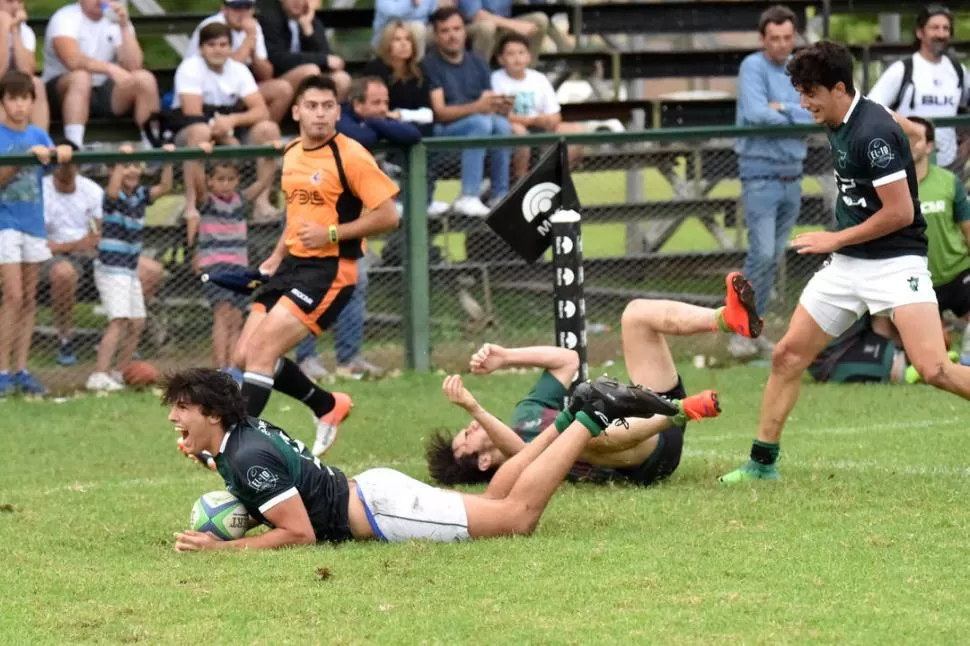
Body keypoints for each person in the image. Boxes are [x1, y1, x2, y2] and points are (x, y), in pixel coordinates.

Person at [720, 41, 970, 483]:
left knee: (934, 369)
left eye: (810, 93)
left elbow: (900, 214)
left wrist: (833, 237)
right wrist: (913, 138)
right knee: (787, 357)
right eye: (799, 92)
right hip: (848, 265)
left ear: (838, 88)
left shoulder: (871, 133)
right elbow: (912, 131)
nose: (804, 103)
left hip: (897, 264)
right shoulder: (851, 112)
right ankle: (761, 465)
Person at [167, 367, 679, 550]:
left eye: (183, 410)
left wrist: (223, 551)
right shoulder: (240, 438)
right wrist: (205, 457)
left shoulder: (246, 456)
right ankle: (571, 419)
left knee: (515, 518)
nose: (174, 419)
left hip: (379, 510)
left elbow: (297, 533)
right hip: (374, 491)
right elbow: (258, 481)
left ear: (213, 413)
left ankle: (592, 414)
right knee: (498, 496)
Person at [426, 273, 761, 486]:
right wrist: (473, 407)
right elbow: (519, 450)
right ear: (484, 461)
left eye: (465, 428)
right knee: (581, 434)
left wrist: (507, 356)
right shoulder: (519, 471)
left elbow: (567, 360)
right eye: (465, 439)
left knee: (636, 315)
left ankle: (727, 319)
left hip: (645, 410)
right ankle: (681, 410)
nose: (470, 427)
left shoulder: (525, 413)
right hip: (647, 456)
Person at [231, 75, 400, 458]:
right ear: (296, 112)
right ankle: (327, 405)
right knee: (245, 356)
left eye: (327, 106)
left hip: (331, 270)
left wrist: (332, 234)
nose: (320, 114)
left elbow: (389, 216)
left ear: (338, 112)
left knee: (261, 349)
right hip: (292, 264)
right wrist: (275, 257)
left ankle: (234, 443)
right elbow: (296, 215)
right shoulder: (291, 152)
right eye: (312, 106)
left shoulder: (352, 155)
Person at [732, 4, 815, 359]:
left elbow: (814, 109)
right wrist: (790, 113)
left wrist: (784, 109)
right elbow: (755, 113)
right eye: (774, 38)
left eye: (787, 38)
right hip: (760, 172)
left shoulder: (802, 66)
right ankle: (740, 331)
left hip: (792, 175)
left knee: (774, 255)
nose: (781, 45)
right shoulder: (752, 66)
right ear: (762, 38)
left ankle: (753, 329)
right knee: (761, 254)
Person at [42, 146, 166, 367]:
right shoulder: (42, 191)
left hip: (95, 255)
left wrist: (94, 241)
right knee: (64, 273)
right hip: (54, 256)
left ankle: (115, 340)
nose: (69, 168)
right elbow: (39, 244)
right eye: (63, 163)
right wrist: (74, 245)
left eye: (73, 162)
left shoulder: (89, 189)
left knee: (151, 270)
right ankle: (65, 338)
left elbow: (101, 227)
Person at [0, 71, 71, 396]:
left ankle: (21, 368)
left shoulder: (39, 134)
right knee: (12, 296)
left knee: (28, 300)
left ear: (31, 101)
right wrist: (20, 161)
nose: (18, 105)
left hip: (33, 226)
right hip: (5, 225)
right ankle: (2, 369)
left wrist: (65, 156)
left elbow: (61, 174)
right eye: (12, 98)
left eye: (24, 98)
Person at [87, 144, 174, 392]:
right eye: (125, 167)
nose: (131, 171)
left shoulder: (141, 196)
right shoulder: (111, 197)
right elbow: (113, 190)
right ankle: (98, 374)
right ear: (114, 170)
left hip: (129, 269)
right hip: (111, 269)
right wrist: (120, 158)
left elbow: (165, 187)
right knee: (118, 320)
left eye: (135, 165)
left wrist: (168, 160)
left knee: (137, 322)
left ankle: (118, 372)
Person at [174, 22, 282, 222]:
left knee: (269, 129)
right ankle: (193, 205)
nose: (218, 50)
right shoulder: (189, 68)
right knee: (200, 132)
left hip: (231, 131)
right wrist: (225, 137)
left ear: (230, 48)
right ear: (201, 48)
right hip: (191, 134)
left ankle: (262, 205)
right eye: (212, 45)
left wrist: (233, 120)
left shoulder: (238, 70)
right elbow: (192, 115)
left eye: (223, 45)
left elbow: (261, 111)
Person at [187, 157, 276, 379]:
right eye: (220, 179)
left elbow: (264, 182)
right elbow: (196, 183)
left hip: (239, 266)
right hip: (215, 265)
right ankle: (220, 367)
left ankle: (233, 367)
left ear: (237, 181)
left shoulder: (240, 201)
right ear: (211, 181)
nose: (225, 184)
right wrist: (199, 155)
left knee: (236, 317)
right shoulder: (207, 201)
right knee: (222, 313)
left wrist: (272, 157)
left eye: (230, 179)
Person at [424, 7, 512, 217]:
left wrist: (501, 106)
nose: (452, 35)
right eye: (445, 31)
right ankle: (468, 196)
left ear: (465, 31)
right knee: (481, 123)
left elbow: (488, 105)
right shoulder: (429, 65)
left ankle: (500, 194)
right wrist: (478, 108)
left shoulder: (479, 63)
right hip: (441, 136)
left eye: (457, 29)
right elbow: (439, 113)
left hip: (476, 132)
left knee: (501, 124)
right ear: (436, 36)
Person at [42, 0, 160, 149]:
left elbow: (134, 65)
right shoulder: (65, 18)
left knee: (145, 79)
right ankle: (75, 147)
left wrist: (124, 27)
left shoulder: (114, 19)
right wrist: (110, 69)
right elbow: (72, 60)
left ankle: (153, 148)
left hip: (104, 91)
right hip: (62, 91)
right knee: (81, 78)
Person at [867, 6, 969, 171]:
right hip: (909, 164)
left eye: (946, 28)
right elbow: (870, 109)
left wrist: (966, 146)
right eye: (935, 28)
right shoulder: (903, 69)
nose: (941, 34)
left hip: (949, 166)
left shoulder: (958, 71)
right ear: (920, 32)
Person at [906, 116, 970, 365]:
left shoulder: (949, 182)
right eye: (903, 139)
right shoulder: (890, 186)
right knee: (934, 350)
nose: (909, 144)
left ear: (929, 146)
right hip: (917, 281)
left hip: (957, 273)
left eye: (916, 139)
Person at [490, 32, 583, 181]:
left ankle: (557, 178)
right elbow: (499, 115)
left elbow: (555, 115)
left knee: (577, 132)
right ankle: (521, 183)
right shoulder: (495, 79)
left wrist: (548, 120)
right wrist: (532, 121)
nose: (517, 58)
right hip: (513, 128)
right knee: (520, 134)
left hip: (540, 127)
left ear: (529, 57)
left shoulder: (539, 78)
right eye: (511, 54)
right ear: (501, 59)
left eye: (521, 53)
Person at [186, 0, 294, 123]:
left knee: (282, 89)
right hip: (208, 92)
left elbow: (266, 75)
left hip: (239, 91)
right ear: (224, 9)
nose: (242, 13)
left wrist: (254, 53)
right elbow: (226, 67)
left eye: (247, 7)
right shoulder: (213, 26)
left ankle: (262, 133)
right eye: (236, 7)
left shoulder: (254, 28)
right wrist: (249, 40)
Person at [258, 0, 351, 100]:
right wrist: (323, 59)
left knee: (342, 79)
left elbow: (327, 55)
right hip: (279, 78)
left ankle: (328, 114)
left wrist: (308, 31)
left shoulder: (311, 21)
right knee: (310, 71)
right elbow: (278, 58)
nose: (297, 2)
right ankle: (307, 113)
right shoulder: (270, 19)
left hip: (309, 75)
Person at [0, 0, 49, 130]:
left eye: (20, 2)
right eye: (9, 1)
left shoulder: (25, 32)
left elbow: (26, 72)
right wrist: (4, 28)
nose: (16, 7)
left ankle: (40, 140)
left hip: (12, 80)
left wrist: (15, 30)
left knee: (36, 84)